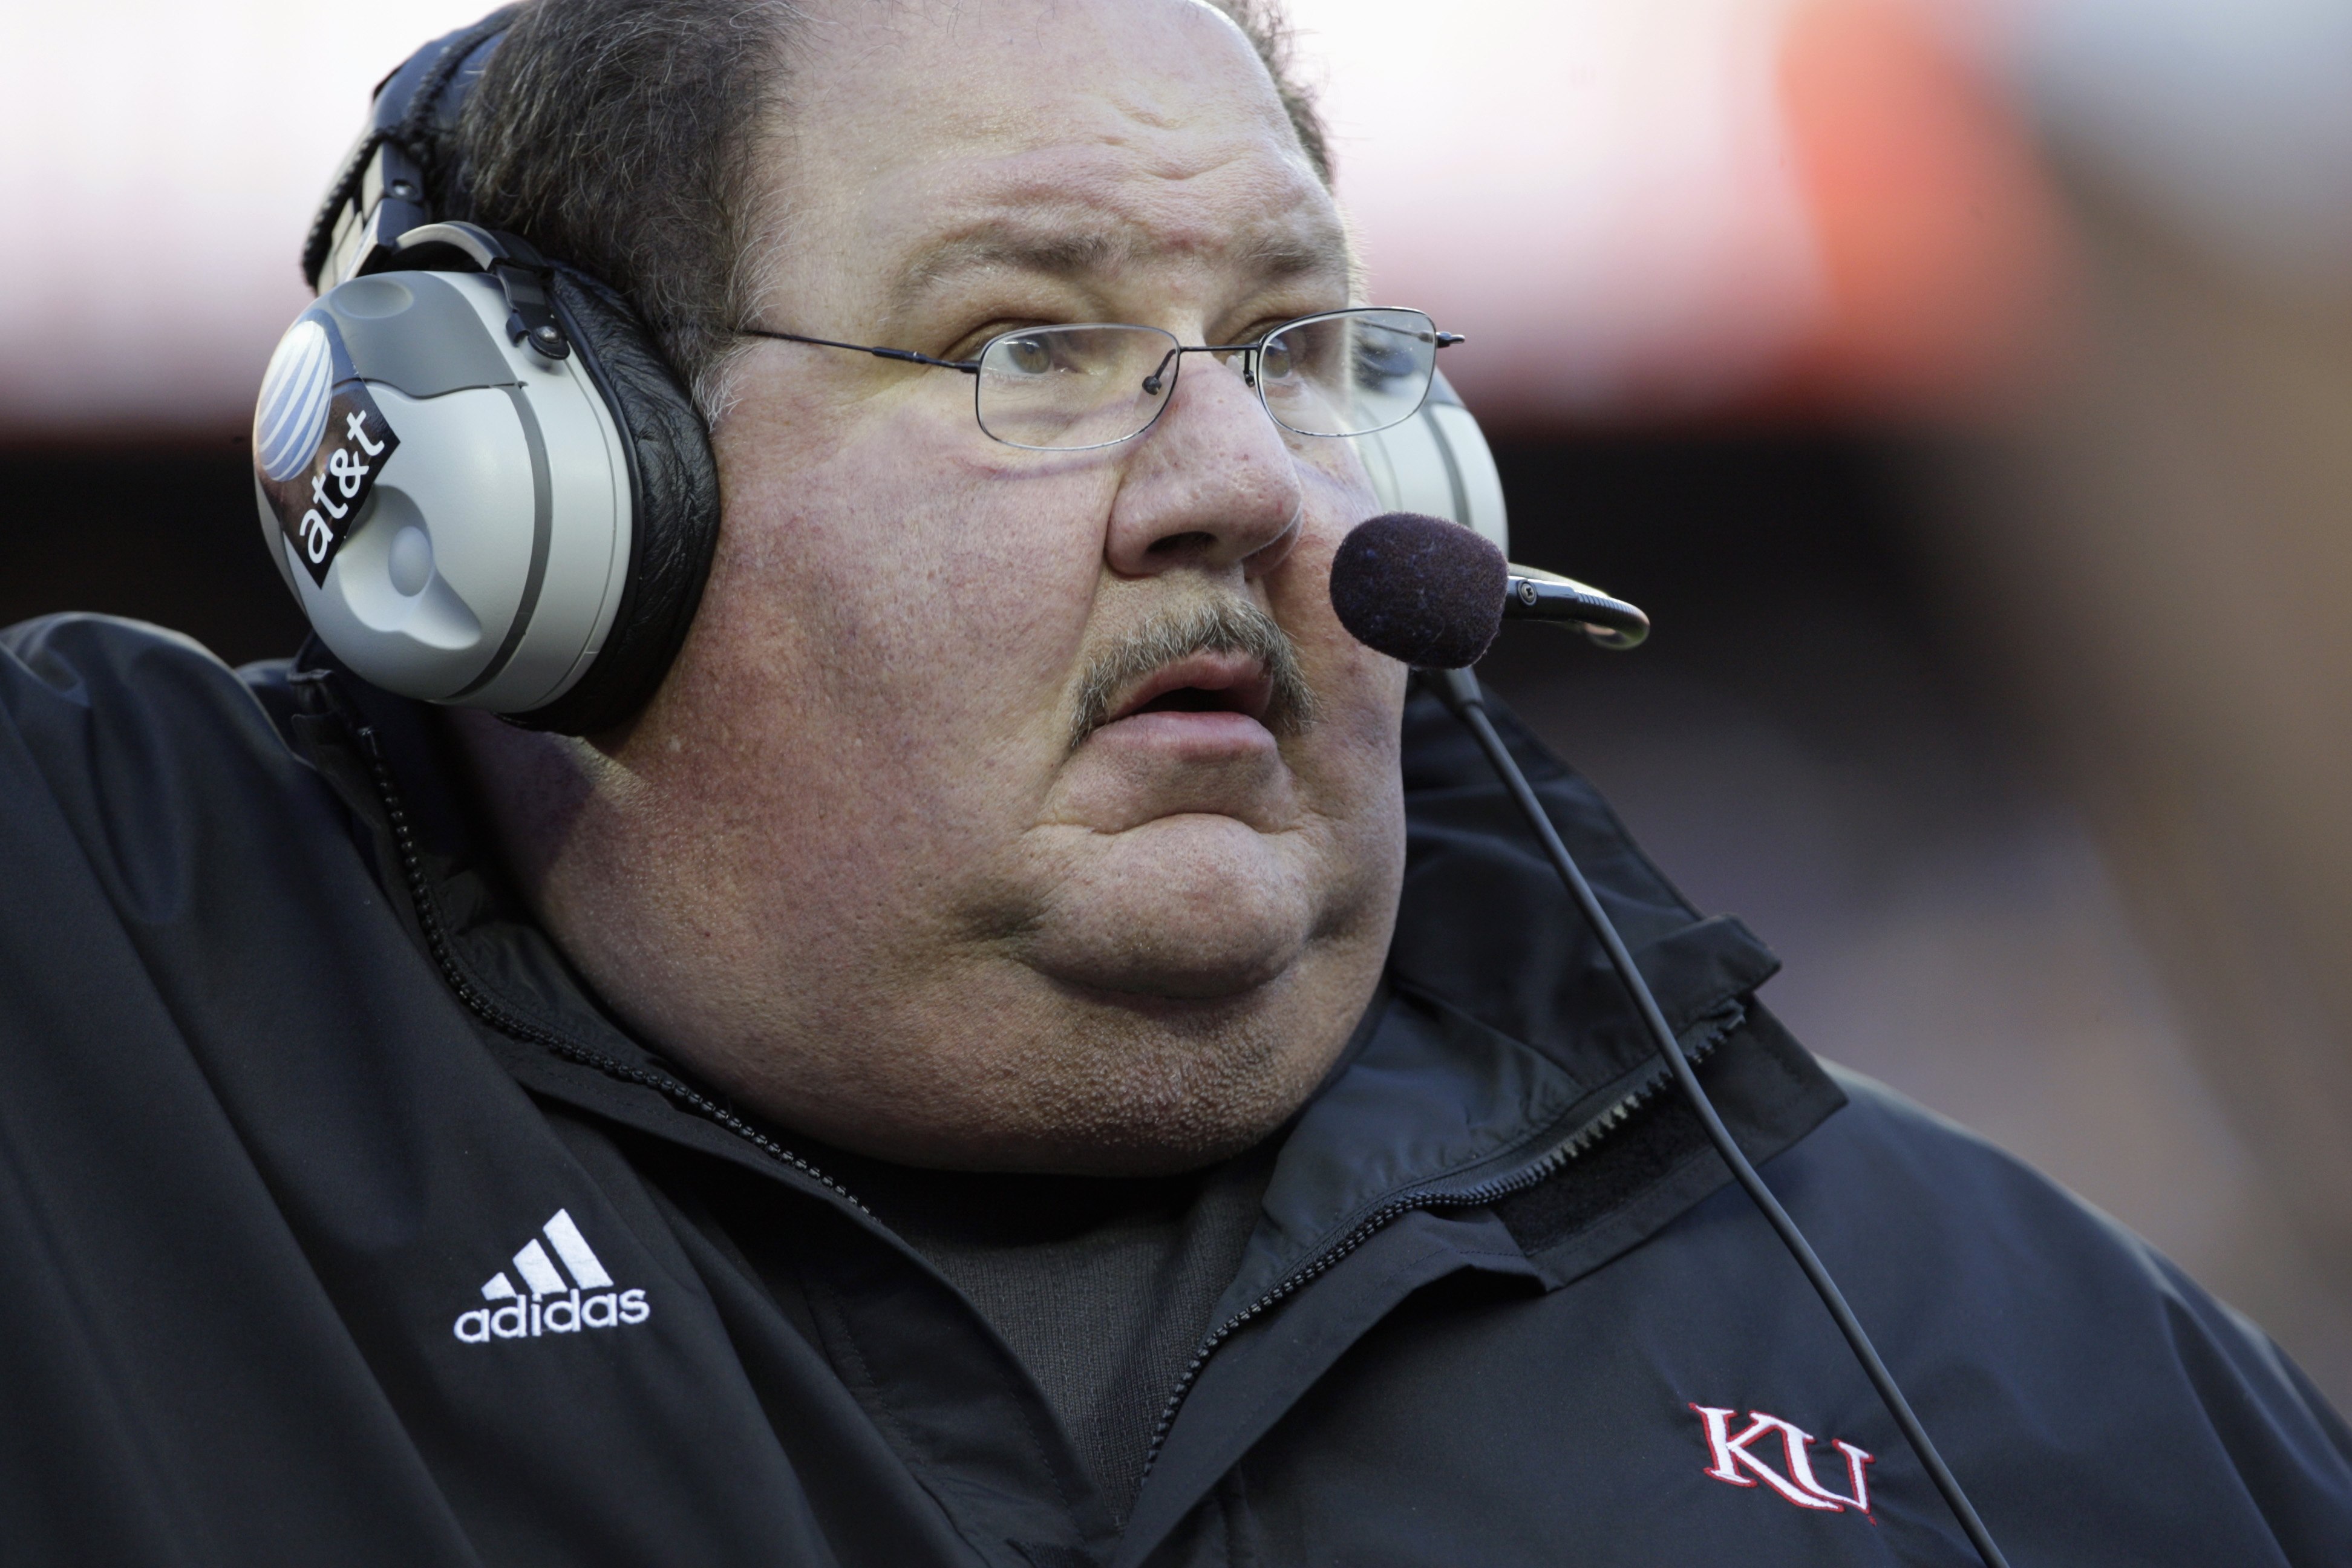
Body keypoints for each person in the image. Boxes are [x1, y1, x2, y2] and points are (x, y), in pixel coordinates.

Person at [1, 0, 2347, 1563]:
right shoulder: (92, 1017)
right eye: (1028, 344)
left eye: (1301, 350)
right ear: (527, 506)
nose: (1249, 485)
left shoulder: (2024, 1369)